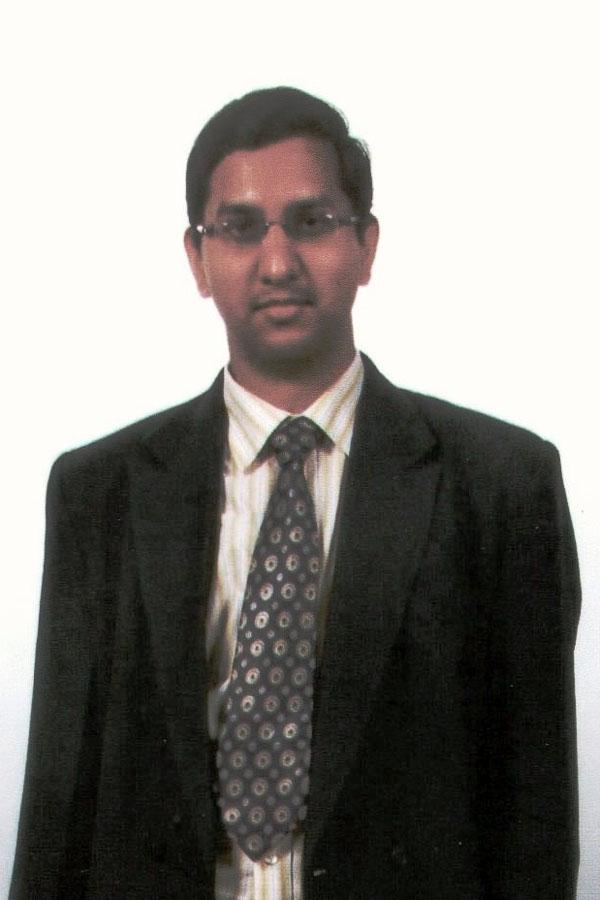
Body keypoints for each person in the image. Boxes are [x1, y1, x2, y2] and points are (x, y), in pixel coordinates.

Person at [11, 87, 580, 899]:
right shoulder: (99, 493)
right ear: (197, 257)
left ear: (367, 245)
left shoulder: (500, 486)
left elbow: (536, 823)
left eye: (311, 222)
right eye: (240, 228)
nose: (277, 263)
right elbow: (56, 810)